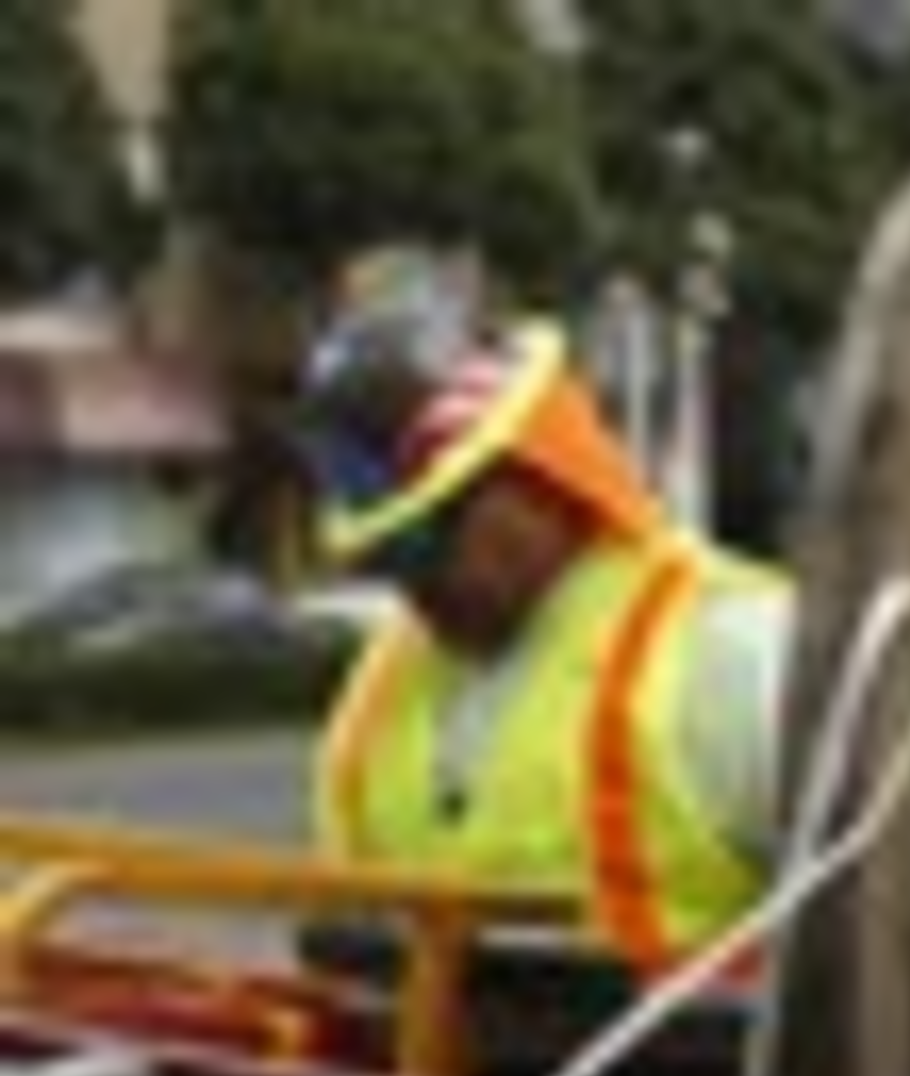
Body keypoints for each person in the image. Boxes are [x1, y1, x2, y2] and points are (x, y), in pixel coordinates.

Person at [297, 259, 796, 980]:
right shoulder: (373, 702)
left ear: (541, 475)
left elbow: (885, 953)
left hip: (686, 1056)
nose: (412, 585)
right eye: (382, 559)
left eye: (424, 543)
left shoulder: (731, 651)